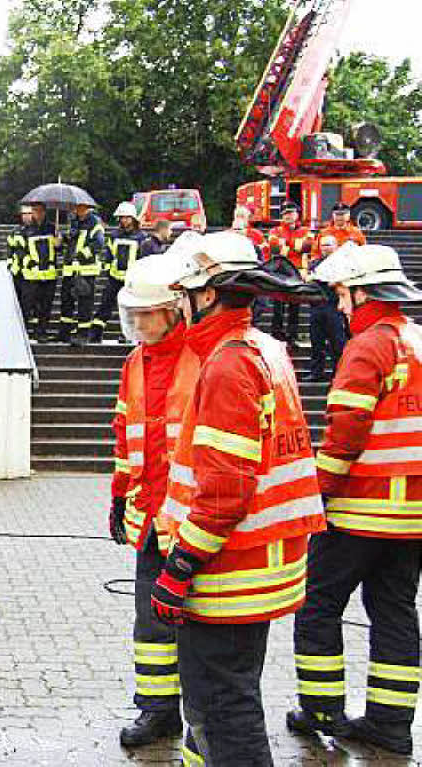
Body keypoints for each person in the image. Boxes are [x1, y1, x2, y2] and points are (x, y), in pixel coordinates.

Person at [152, 231, 326, 764]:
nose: (178, 305)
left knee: (223, 710)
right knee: (222, 705)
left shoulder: (228, 364)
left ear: (206, 295)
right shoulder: (263, 349)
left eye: (184, 294)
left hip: (227, 574)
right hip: (257, 566)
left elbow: (225, 491)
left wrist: (180, 565)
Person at [289, 243, 422, 756]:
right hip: (411, 517)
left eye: (344, 294)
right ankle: (391, 724)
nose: (340, 305)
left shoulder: (368, 346)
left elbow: (344, 435)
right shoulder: (415, 339)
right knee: (395, 613)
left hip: (359, 510)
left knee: (319, 606)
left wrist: (313, 494)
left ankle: (322, 711)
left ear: (364, 291)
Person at [109, 252, 200, 747]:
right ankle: (157, 711)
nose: (139, 323)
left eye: (148, 314)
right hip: (150, 517)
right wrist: (119, 496)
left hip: (193, 521)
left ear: (175, 310)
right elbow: (126, 436)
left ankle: (200, 715)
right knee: (150, 622)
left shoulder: (203, 358)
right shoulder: (135, 363)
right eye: (134, 315)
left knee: (198, 625)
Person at [92, 202, 146, 345]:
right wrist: (108, 270)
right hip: (114, 277)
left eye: (127, 218)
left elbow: (143, 258)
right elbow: (109, 255)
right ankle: (95, 335)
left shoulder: (142, 237)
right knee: (104, 305)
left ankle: (127, 335)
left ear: (133, 219)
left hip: (132, 280)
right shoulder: (114, 236)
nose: (124, 220)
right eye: (121, 218)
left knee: (130, 309)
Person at [267, 202, 315, 346]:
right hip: (279, 271)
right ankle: (277, 335)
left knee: (295, 306)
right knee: (278, 305)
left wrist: (286, 244)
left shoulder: (306, 231)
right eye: (285, 214)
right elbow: (275, 249)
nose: (288, 216)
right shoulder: (274, 231)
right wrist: (296, 246)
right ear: (282, 216)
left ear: (297, 215)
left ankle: (292, 336)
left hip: (298, 271)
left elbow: (308, 246)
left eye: (291, 213)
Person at [62, 200, 107, 344]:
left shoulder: (95, 223)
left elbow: (99, 243)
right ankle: (64, 332)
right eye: (76, 207)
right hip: (70, 269)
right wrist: (63, 239)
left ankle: (83, 334)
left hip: (86, 270)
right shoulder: (74, 222)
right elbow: (71, 241)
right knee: (66, 302)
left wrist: (82, 254)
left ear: (87, 208)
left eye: (80, 207)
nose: (77, 209)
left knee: (84, 304)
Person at [305, 234, 348, 381]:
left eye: (329, 244)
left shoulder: (343, 263)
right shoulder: (314, 264)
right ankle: (317, 372)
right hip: (316, 307)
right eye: (323, 245)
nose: (326, 248)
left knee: (338, 342)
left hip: (334, 306)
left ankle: (340, 372)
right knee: (316, 342)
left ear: (336, 246)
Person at [19, 202, 59, 340]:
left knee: (46, 306)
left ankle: (42, 332)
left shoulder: (52, 229)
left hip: (49, 274)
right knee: (28, 305)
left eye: (40, 211)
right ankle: (25, 332)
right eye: (35, 211)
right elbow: (21, 252)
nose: (38, 214)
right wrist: (29, 264)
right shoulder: (25, 231)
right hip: (32, 275)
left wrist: (60, 242)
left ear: (44, 212)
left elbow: (58, 250)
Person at [5, 205, 32, 309]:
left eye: (29, 213)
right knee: (17, 302)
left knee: (28, 302)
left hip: (31, 272)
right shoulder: (15, 231)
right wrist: (10, 265)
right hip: (17, 272)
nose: (26, 216)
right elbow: (9, 250)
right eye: (24, 214)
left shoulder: (36, 231)